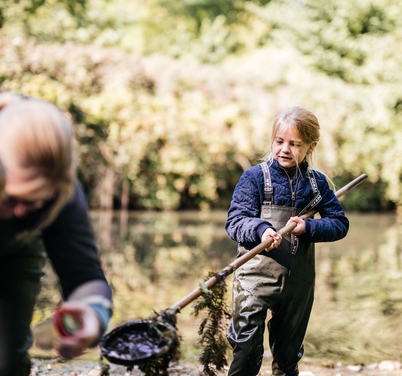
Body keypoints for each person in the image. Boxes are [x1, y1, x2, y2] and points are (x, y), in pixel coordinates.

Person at [225, 106, 349, 376]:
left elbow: (340, 225)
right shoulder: (254, 178)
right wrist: (260, 230)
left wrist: (308, 226)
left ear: (311, 146)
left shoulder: (317, 185)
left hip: (298, 284)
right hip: (253, 281)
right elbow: (235, 222)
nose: (285, 149)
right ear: (272, 140)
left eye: (295, 144)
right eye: (280, 142)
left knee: (288, 357)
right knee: (246, 351)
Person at [0, 92, 113, 376]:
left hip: (14, 250)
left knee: (6, 360)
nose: (21, 213)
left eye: (35, 203)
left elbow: (85, 278)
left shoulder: (62, 194)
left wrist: (91, 317)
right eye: (13, 199)